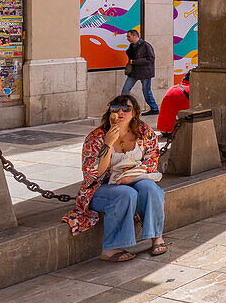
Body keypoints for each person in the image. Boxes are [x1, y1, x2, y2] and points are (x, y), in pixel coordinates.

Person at [63, 95, 166, 262]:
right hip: (100, 188)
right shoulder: (96, 137)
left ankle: (156, 237)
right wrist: (108, 144)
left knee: (151, 189)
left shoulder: (144, 132)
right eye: (115, 109)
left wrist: (130, 176)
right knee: (126, 194)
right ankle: (110, 249)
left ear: (134, 113)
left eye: (126, 109)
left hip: (134, 178)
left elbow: (152, 161)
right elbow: (94, 173)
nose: (120, 112)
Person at [122, 29, 159, 116]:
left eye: (129, 36)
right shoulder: (132, 46)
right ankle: (124, 107)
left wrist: (134, 62)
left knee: (146, 91)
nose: (127, 38)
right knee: (125, 90)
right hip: (134, 72)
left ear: (135, 36)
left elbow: (151, 59)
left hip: (144, 72)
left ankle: (154, 108)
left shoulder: (145, 45)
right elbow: (130, 55)